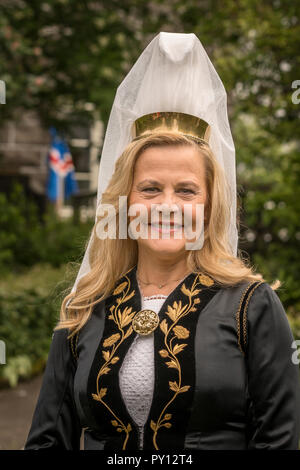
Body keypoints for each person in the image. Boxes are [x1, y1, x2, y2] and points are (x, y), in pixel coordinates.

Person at [24, 33, 300, 450]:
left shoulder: (252, 306)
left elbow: (280, 440)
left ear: (209, 207)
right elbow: (47, 442)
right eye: (150, 188)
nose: (167, 206)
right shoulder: (84, 308)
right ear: (125, 203)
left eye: (187, 191)